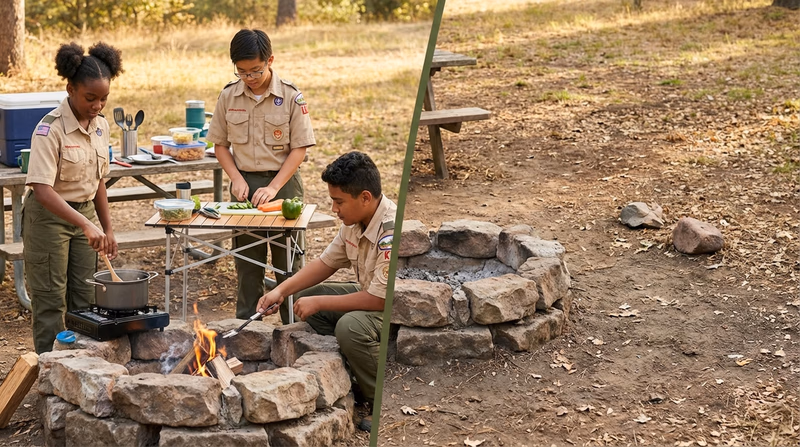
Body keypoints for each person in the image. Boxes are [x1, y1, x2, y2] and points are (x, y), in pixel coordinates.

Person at [257, 151, 395, 432]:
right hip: (372, 294)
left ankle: (378, 397)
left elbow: (381, 299)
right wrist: (281, 291)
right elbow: (325, 263)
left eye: (339, 201)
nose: (334, 209)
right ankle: (355, 370)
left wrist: (320, 302)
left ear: (365, 197)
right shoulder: (356, 222)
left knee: (349, 327)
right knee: (311, 297)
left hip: (395, 309)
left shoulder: (391, 231)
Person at [206, 28, 315, 320]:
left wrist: (274, 186)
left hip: (284, 186)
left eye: (255, 70)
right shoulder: (229, 96)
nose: (250, 78)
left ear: (270, 60)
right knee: (247, 263)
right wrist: (237, 178)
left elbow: (299, 149)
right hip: (245, 186)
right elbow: (220, 145)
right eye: (242, 72)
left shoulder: (291, 96)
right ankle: (247, 325)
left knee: (289, 263)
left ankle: (295, 326)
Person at [24, 42, 123, 354]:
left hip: (84, 218)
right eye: (90, 98)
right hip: (49, 219)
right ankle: (48, 370)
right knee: (51, 299)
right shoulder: (49, 129)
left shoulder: (101, 126)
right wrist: (86, 225)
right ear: (70, 89)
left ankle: (81, 366)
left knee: (85, 297)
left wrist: (106, 228)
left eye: (104, 98)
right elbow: (42, 190)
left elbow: (98, 181)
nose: (97, 105)